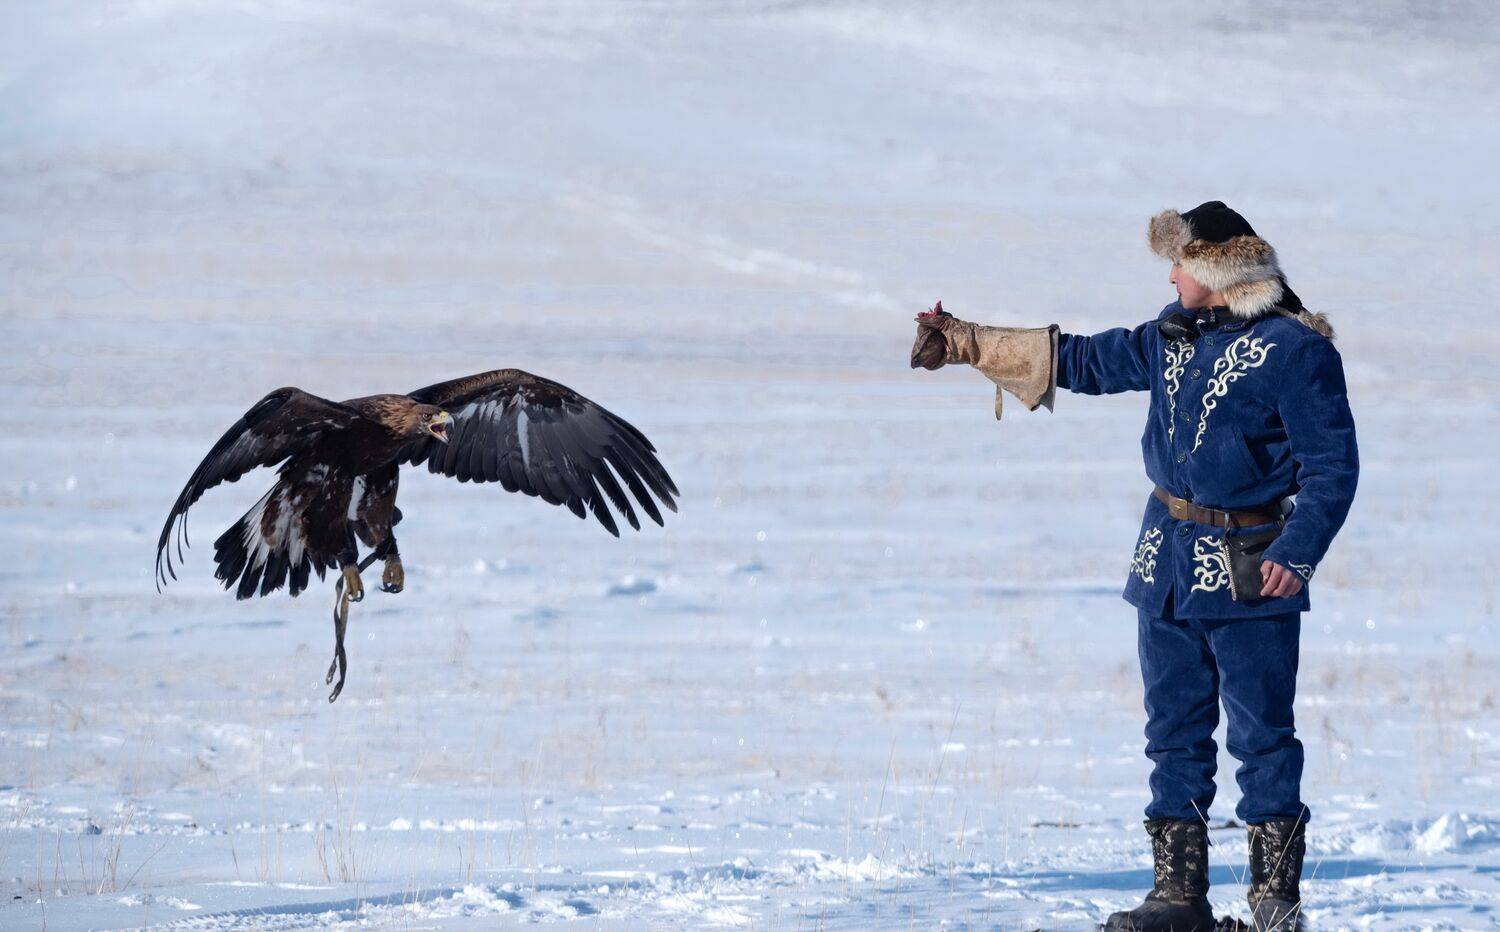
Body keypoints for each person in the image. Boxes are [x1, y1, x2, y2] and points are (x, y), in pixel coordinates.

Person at [913, 201, 1358, 931]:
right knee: (1173, 733)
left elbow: (1332, 466)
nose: (1173, 273)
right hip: (1165, 565)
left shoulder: (1295, 351)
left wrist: (1297, 549)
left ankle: (1275, 902)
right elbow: (1085, 360)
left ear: (1219, 271)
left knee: (1261, 736)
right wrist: (968, 341)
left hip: (1254, 570)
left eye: (1183, 262)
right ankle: (1178, 900)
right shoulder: (1170, 336)